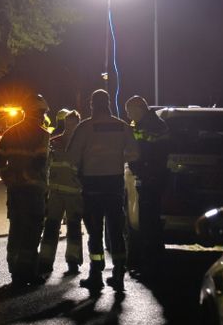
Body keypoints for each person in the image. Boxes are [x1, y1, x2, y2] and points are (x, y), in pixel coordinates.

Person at [67, 90, 139, 292]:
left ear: (92, 105)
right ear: (108, 104)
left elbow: (72, 157)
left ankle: (96, 274)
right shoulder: (122, 126)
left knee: (95, 232)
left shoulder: (85, 127)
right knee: (116, 230)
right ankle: (118, 273)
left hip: (91, 186)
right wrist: (117, 158)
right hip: (114, 185)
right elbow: (134, 153)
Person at [0, 94, 51, 286]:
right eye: (42, 112)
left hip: (16, 191)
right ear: (38, 112)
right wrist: (30, 178)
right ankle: (27, 272)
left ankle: (14, 270)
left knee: (17, 228)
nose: (43, 116)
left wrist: (10, 178)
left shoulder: (10, 133)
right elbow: (40, 161)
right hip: (34, 191)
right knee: (32, 231)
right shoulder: (42, 134)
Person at [124, 95, 169, 274]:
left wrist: (137, 166)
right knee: (149, 220)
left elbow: (145, 153)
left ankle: (150, 263)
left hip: (151, 177)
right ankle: (152, 261)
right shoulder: (151, 123)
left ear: (138, 109)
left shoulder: (150, 126)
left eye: (129, 111)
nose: (128, 116)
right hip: (152, 176)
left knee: (148, 221)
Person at [37, 109, 83, 279]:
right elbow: (45, 165)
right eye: (69, 123)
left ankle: (73, 260)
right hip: (56, 192)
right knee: (51, 227)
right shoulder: (54, 142)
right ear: (65, 123)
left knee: (74, 228)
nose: (71, 126)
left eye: (74, 123)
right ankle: (46, 260)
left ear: (78, 124)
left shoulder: (80, 145)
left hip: (73, 193)